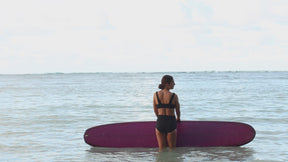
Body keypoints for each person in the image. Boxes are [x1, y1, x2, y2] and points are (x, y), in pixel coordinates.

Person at [153, 75, 180, 151]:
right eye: (173, 82)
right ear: (167, 84)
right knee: (172, 149)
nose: (174, 84)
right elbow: (177, 110)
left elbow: (155, 110)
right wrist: (178, 118)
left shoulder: (155, 95)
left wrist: (160, 118)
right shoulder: (174, 96)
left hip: (160, 121)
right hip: (170, 121)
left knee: (161, 149)